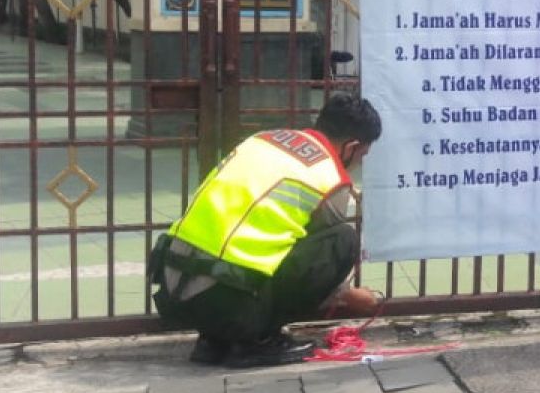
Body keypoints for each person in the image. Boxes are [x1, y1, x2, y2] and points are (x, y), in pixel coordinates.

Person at [150, 93, 383, 366]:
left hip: (173, 290)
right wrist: (353, 297)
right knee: (344, 240)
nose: (358, 163)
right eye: (362, 155)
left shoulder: (262, 141)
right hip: (227, 302)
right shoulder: (329, 178)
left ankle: (214, 340)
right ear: (351, 147)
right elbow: (317, 263)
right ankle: (255, 341)